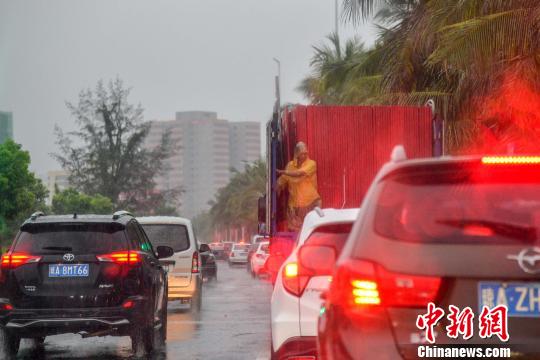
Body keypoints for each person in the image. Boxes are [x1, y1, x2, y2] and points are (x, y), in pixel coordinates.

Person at [277, 142, 321, 231]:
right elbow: (281, 182)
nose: (304, 156)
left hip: (311, 204)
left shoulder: (311, 164)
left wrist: (284, 172)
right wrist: (276, 189)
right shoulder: (290, 166)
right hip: (294, 207)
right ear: (296, 154)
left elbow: (299, 173)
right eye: (302, 154)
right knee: (295, 234)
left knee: (310, 231)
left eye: (306, 153)